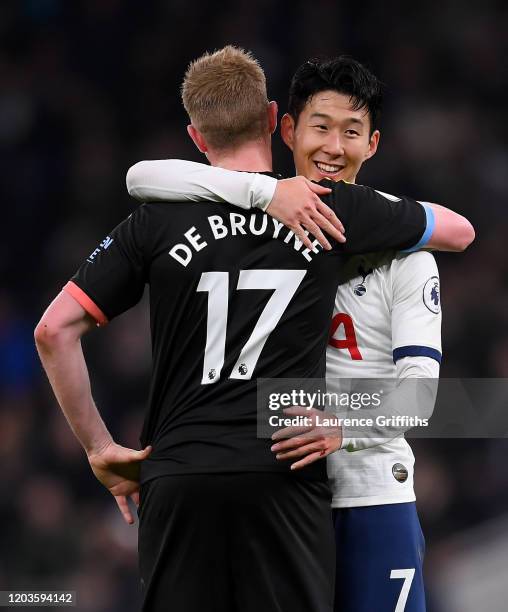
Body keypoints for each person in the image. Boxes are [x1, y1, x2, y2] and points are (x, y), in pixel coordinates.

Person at [36, 47, 471, 612]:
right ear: (281, 126)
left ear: (374, 143)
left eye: (352, 132)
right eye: (320, 127)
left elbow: (429, 395)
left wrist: (345, 424)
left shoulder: (390, 245)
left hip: (362, 492)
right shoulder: (322, 208)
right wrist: (265, 192)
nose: (334, 147)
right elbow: (458, 229)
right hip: (285, 480)